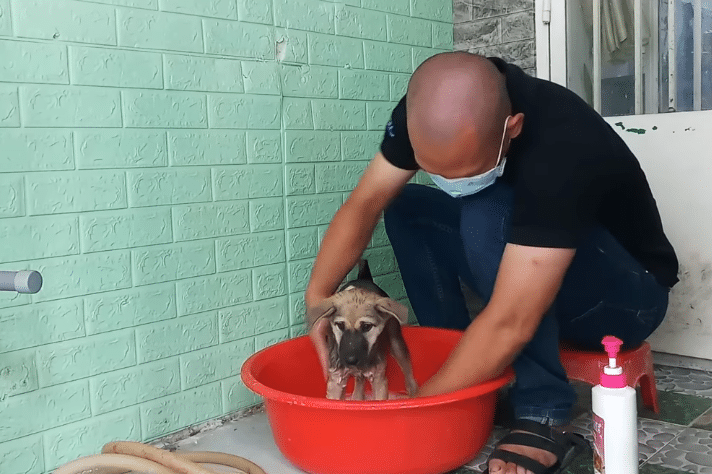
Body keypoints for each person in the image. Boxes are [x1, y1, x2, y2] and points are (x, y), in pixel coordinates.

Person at [304, 52, 678, 474]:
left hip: (627, 299)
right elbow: (365, 202)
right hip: (541, 266)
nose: (452, 185)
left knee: (486, 210)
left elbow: (511, 320)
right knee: (407, 206)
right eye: (436, 171)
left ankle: (543, 411)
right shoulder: (429, 112)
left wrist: (415, 409)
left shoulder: (563, 140)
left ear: (511, 128)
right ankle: (458, 361)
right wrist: (317, 301)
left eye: (465, 172)